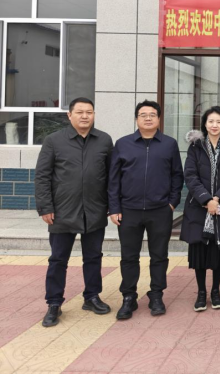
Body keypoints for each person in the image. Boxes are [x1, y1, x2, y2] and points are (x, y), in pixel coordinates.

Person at [35, 98, 114, 327]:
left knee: (93, 257)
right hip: (62, 211)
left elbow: (112, 176)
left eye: (89, 112)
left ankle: (92, 297)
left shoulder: (104, 140)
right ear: (69, 115)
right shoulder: (54, 140)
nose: (85, 116)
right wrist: (45, 207)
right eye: (79, 112)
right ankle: (54, 303)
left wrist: (112, 204)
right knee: (58, 259)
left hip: (95, 210)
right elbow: (42, 176)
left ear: (94, 114)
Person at [108, 100, 184, 319]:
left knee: (159, 256)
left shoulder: (169, 144)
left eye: (152, 114)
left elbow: (177, 175)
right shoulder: (123, 144)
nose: (148, 118)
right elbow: (113, 179)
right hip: (128, 210)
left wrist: (172, 202)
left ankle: (156, 295)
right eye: (143, 115)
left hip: (160, 210)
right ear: (136, 119)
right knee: (129, 256)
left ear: (159, 119)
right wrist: (114, 207)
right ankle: (128, 297)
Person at [182, 106, 220, 312]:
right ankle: (201, 292)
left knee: (219, 250)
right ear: (205, 124)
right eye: (211, 121)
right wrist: (206, 199)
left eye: (218, 121)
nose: (214, 125)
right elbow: (190, 175)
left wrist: (217, 198)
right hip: (199, 206)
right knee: (200, 250)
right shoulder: (196, 146)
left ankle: (216, 291)